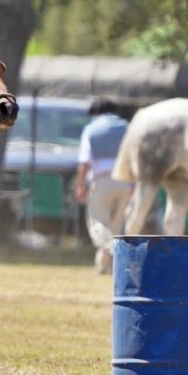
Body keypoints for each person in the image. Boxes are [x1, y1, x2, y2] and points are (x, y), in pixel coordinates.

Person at [75, 98, 132, 274]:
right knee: (116, 226)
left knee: (98, 224)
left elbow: (85, 162)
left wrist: (81, 185)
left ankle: (115, 251)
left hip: (101, 181)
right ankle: (104, 267)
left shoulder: (92, 129)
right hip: (125, 181)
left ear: (96, 112)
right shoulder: (127, 128)